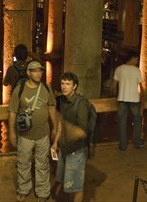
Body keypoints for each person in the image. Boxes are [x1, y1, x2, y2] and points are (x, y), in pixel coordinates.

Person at [8, 61, 57, 202]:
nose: (38, 73)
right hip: (25, 135)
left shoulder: (46, 88)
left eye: (40, 71)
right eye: (35, 71)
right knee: (23, 163)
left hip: (43, 134)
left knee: (43, 164)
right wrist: (11, 132)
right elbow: (12, 112)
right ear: (28, 73)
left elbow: (52, 109)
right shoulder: (20, 89)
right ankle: (24, 189)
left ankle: (42, 192)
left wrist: (54, 127)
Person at [53, 72, 90, 202]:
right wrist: (56, 142)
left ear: (74, 86)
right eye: (62, 83)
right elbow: (61, 125)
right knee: (68, 184)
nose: (64, 87)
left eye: (68, 84)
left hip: (76, 150)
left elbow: (84, 131)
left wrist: (70, 133)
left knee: (76, 185)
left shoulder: (81, 104)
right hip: (64, 148)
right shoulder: (62, 101)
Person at [112, 50, 144, 150]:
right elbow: (141, 86)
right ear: (133, 58)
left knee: (122, 122)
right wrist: (142, 99)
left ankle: (123, 145)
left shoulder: (119, 69)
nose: (137, 61)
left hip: (122, 99)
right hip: (134, 99)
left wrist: (114, 96)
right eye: (137, 59)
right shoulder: (136, 70)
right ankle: (138, 143)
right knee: (137, 121)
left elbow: (113, 86)